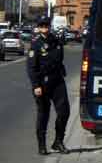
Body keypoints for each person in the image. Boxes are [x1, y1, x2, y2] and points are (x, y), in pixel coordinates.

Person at [26, 16, 70, 155]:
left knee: (64, 112)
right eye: (42, 26)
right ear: (38, 27)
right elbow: (31, 68)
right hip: (42, 83)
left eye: (46, 25)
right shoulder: (35, 44)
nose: (44, 28)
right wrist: (36, 86)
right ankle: (42, 145)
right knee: (43, 114)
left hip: (57, 81)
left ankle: (58, 141)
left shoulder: (55, 40)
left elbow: (61, 53)